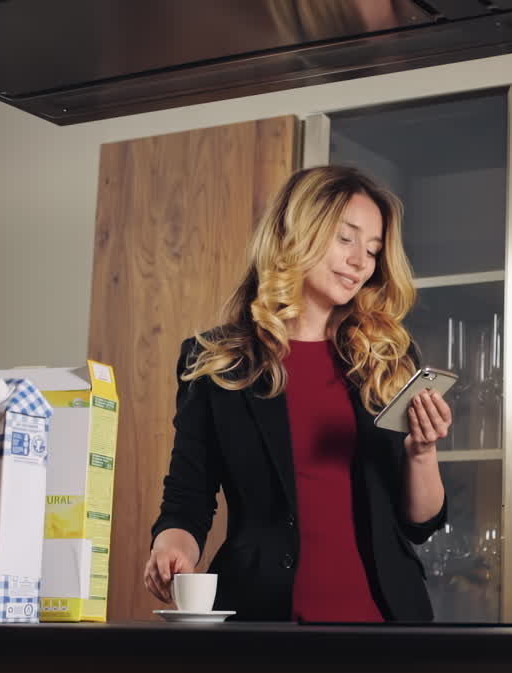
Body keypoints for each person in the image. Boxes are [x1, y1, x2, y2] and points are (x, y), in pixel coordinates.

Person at [143, 165, 450, 622]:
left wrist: (422, 453)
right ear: (296, 232)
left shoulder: (388, 358)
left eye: (372, 250)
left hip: (386, 625)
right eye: (346, 239)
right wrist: (171, 543)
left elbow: (419, 524)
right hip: (261, 621)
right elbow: (188, 496)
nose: (360, 262)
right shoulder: (215, 360)